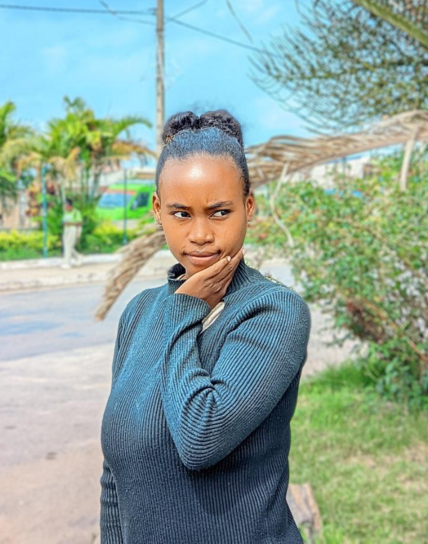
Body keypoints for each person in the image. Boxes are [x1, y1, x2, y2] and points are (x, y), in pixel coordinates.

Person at [99, 109, 311, 543]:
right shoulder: (139, 313)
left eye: (219, 212)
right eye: (181, 214)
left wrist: (183, 311)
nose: (200, 234)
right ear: (157, 210)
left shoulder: (274, 312)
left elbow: (201, 437)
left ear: (248, 207)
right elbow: (116, 475)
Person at [62, 197, 83, 267]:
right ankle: (78, 256)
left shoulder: (76, 212)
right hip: (66, 229)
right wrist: (64, 223)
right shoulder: (66, 212)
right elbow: (63, 220)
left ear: (71, 206)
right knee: (66, 246)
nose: (65, 208)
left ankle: (67, 263)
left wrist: (70, 223)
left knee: (69, 246)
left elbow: (80, 222)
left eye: (67, 206)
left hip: (73, 229)